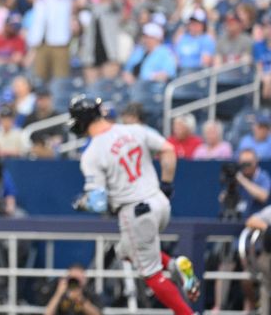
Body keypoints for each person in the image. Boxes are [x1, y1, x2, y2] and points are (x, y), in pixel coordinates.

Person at [68, 95, 200, 315]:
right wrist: (166, 185)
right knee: (125, 250)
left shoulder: (91, 153)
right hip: (159, 201)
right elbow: (168, 150)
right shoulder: (134, 130)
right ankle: (175, 266)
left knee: (151, 275)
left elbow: (99, 202)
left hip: (135, 211)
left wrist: (82, 203)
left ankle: (187, 313)